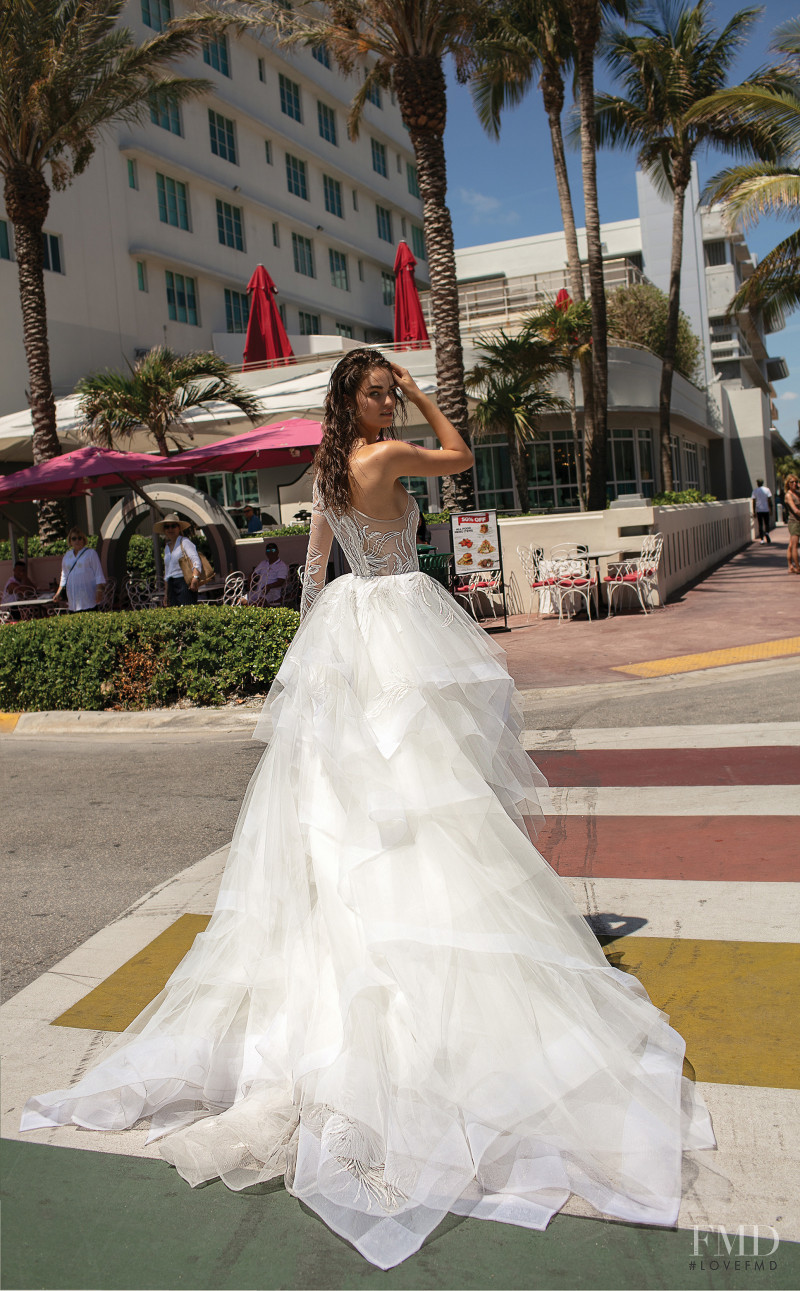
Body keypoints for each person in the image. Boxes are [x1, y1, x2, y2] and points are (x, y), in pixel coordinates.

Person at [21, 349, 715, 1270]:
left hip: (352, 626)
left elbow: (312, 570)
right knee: (426, 789)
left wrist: (314, 659)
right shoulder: (384, 456)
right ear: (358, 399)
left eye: (396, 387)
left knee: (372, 800)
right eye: (382, 389)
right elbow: (463, 458)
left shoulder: (325, 470)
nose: (393, 398)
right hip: (396, 617)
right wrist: (428, 399)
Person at [155, 513, 201, 606]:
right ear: (164, 530)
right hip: (172, 585)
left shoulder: (185, 542)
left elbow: (196, 560)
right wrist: (166, 594)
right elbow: (167, 572)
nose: (170, 529)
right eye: (167, 527)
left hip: (184, 582)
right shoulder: (167, 547)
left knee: (187, 614)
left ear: (179, 528)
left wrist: (195, 578)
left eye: (173, 526)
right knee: (174, 615)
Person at [53, 529, 105, 612]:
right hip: (73, 596)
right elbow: (64, 575)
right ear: (70, 541)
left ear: (83, 540)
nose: (77, 540)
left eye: (79, 538)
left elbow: (98, 573)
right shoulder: (67, 555)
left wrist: (99, 591)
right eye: (74, 538)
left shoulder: (91, 553)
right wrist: (58, 592)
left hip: (88, 595)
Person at [784, 474, 800, 574]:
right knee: (795, 545)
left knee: (790, 545)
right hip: (794, 522)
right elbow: (795, 510)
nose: (794, 483)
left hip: (798, 521)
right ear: (788, 484)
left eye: (795, 482)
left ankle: (790, 566)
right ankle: (798, 567)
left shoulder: (797, 493)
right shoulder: (788, 495)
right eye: (792, 482)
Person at [751, 478, 772, 544]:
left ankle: (762, 539)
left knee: (760, 524)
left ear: (758, 483)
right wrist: (770, 509)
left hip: (759, 510)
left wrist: (754, 511)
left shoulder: (755, 491)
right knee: (767, 523)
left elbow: (754, 501)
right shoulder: (767, 490)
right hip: (766, 509)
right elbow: (769, 500)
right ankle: (767, 533)